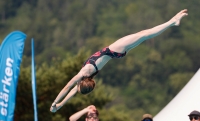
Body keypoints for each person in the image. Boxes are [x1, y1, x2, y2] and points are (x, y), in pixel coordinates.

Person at [50, 9, 188, 112]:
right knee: (145, 34)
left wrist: (59, 105)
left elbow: (72, 91)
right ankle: (172, 22)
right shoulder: (84, 72)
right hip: (113, 50)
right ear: (81, 84)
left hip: (116, 54)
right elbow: (68, 87)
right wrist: (54, 102)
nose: (76, 87)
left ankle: (172, 22)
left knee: (143, 34)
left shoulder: (87, 75)